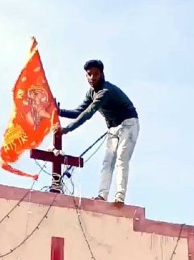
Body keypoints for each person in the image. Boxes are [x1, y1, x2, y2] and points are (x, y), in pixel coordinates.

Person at [55, 60, 139, 203]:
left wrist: (67, 129)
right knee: (107, 162)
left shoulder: (105, 91)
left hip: (129, 124)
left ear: (101, 74)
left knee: (121, 159)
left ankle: (119, 197)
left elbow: (88, 113)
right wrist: (59, 112)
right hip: (113, 128)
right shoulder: (91, 93)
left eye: (96, 74)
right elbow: (79, 112)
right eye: (89, 74)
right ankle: (102, 196)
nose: (92, 78)